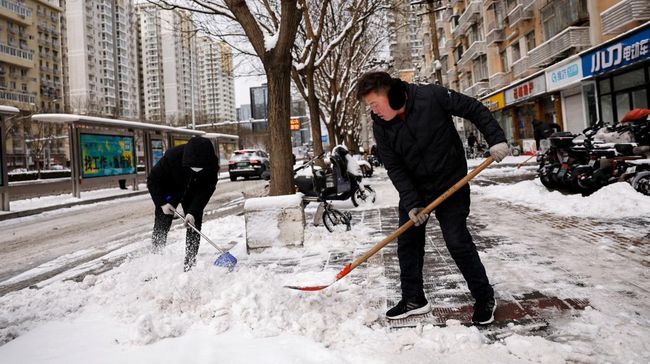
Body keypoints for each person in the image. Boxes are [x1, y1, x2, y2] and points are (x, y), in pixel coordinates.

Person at [356, 71, 509, 325]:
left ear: (392, 96)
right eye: (369, 106)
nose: (374, 111)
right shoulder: (380, 126)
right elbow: (394, 167)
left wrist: (496, 139)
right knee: (408, 241)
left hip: (452, 183)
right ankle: (414, 298)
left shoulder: (431, 96)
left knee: (456, 240)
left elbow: (472, 108)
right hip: (416, 189)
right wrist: (412, 202)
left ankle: (484, 297)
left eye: (374, 103)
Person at [147, 136, 220, 271]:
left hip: (193, 192)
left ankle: (190, 263)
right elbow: (153, 180)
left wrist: (193, 211)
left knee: (194, 223)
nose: (196, 169)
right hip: (170, 191)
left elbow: (207, 189)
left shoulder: (211, 163)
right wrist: (162, 203)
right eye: (193, 167)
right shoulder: (172, 157)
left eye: (200, 167)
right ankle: (156, 258)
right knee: (162, 222)